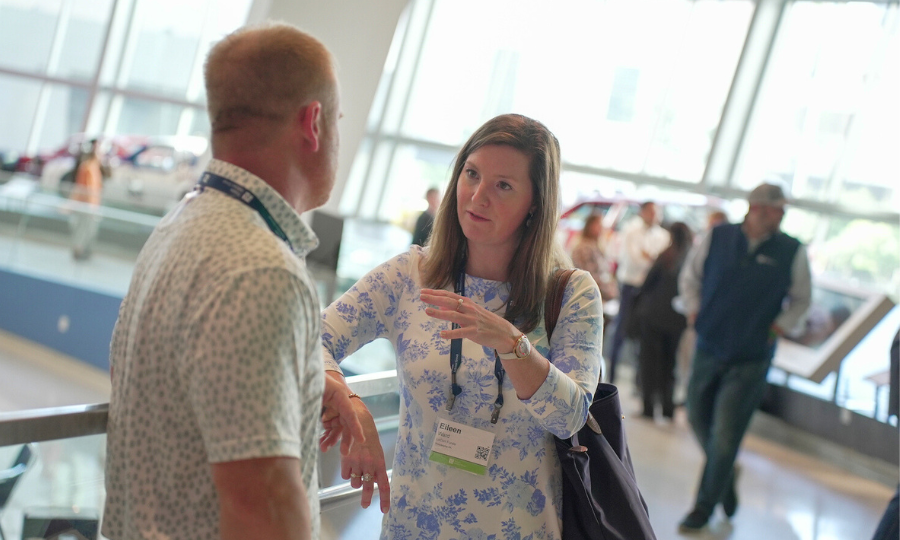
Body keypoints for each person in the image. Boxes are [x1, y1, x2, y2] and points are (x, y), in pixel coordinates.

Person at [102, 22, 364, 540]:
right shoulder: (261, 273)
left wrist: (303, 380)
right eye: (337, 118)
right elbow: (261, 514)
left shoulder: (183, 226)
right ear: (312, 123)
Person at [319, 114, 604, 539]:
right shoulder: (410, 275)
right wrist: (352, 407)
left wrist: (512, 344)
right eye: (471, 174)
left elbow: (570, 417)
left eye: (503, 185)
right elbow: (307, 339)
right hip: (412, 525)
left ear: (536, 205)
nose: (478, 196)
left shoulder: (571, 294)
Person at [677, 182, 811, 533]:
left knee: (725, 436)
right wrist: (694, 310)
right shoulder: (718, 237)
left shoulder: (791, 250)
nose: (776, 216)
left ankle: (703, 508)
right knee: (695, 415)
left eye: (780, 211)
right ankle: (725, 475)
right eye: (771, 209)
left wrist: (779, 327)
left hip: (751, 356)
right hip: (709, 344)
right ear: (754, 208)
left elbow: (802, 299)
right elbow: (691, 277)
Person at [632, 222, 693, 422]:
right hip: (677, 320)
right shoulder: (690, 261)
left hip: (653, 316)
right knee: (670, 363)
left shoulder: (666, 256)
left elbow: (647, 283)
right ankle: (668, 408)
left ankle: (649, 407)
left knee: (650, 362)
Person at [608, 201, 669, 383]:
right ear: (642, 212)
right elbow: (635, 259)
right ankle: (611, 374)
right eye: (651, 212)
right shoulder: (631, 229)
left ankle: (639, 380)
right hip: (630, 285)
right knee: (622, 328)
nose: (654, 216)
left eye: (656, 212)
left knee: (644, 333)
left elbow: (660, 263)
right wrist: (651, 259)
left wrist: (649, 258)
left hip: (650, 288)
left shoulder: (662, 235)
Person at [68, 139, 104, 260]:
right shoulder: (87, 166)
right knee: (82, 230)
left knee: (88, 231)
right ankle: (78, 251)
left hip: (91, 205)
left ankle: (82, 251)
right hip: (85, 205)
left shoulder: (96, 166)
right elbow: (83, 188)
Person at [570, 213, 618, 301]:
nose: (601, 228)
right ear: (590, 226)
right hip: (589, 293)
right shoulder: (583, 247)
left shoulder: (597, 244)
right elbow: (590, 276)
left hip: (600, 291)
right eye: (598, 225)